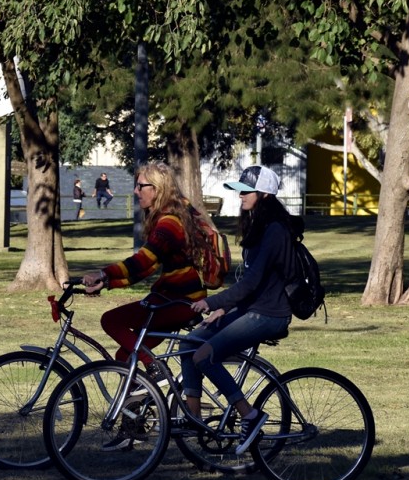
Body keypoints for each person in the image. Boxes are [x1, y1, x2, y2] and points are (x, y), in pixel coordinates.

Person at [184, 165, 298, 454]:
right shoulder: (258, 227)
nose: (241, 197)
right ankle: (195, 423)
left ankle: (251, 415)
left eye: (246, 192)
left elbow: (250, 284)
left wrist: (212, 302)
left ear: (264, 195)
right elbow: (249, 285)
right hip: (251, 308)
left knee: (204, 356)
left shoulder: (274, 231)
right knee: (189, 345)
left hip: (269, 315)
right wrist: (226, 309)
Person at [82, 161, 210, 370]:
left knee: (111, 321)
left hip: (177, 302)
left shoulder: (169, 223)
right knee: (124, 356)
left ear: (157, 189)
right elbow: (148, 268)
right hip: (176, 299)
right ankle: (141, 396)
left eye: (141, 186)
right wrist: (107, 283)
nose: (135, 191)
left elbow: (143, 260)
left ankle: (155, 368)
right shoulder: (170, 217)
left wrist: (103, 274)